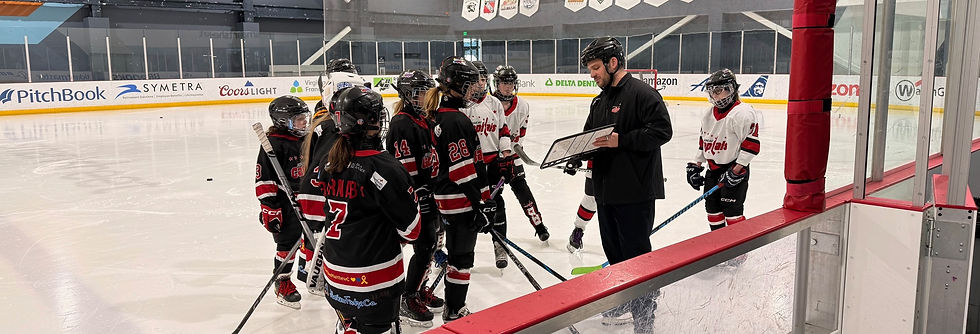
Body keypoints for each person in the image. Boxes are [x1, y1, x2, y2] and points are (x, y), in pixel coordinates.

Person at [571, 37, 672, 333]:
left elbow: (662, 131)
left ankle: (645, 318)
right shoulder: (599, 101)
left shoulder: (643, 93)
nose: (592, 74)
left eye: (595, 68)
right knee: (615, 255)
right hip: (606, 192)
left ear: (613, 63)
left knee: (637, 258)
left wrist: (622, 140)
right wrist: (575, 154)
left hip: (635, 193)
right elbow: (590, 137)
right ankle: (626, 300)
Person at [308, 85, 422, 334]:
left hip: (335, 277)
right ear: (365, 122)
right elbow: (412, 231)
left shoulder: (329, 160)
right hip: (374, 282)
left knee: (350, 323)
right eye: (376, 116)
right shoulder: (386, 168)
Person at [423, 56, 497, 322]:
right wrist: (480, 204)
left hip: (448, 198)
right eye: (469, 84)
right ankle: (455, 309)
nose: (473, 90)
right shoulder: (455, 120)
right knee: (462, 257)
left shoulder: (441, 115)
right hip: (459, 200)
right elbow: (463, 171)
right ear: (456, 86)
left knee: (457, 254)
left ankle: (453, 307)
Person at [296, 71, 371, 298]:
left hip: (322, 204)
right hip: (325, 207)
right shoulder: (335, 128)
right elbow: (321, 173)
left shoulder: (328, 123)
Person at [686, 68, 761, 267]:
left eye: (721, 90)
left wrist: (736, 170)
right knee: (712, 210)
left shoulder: (742, 113)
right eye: (713, 91)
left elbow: (751, 146)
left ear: (732, 89)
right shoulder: (708, 114)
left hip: (735, 169)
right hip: (713, 170)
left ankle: (739, 252)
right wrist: (695, 165)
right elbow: (704, 142)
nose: (716, 95)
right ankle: (720, 249)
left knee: (732, 211)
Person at [387, 69, 444, 328]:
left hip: (428, 192)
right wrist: (418, 195)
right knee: (424, 246)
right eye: (420, 93)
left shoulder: (423, 119)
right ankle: (408, 296)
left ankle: (418, 288)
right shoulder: (402, 123)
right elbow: (403, 169)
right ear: (408, 95)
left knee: (431, 245)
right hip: (415, 197)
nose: (426, 97)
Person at [254, 95, 311, 310]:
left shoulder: (307, 139)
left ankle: (312, 275)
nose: (304, 123)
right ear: (282, 121)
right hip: (285, 204)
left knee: (313, 240)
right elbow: (264, 179)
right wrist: (270, 208)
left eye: (304, 118)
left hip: (306, 200)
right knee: (287, 245)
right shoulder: (274, 144)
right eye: (299, 119)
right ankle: (283, 282)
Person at [462, 60, 513, 269]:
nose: (480, 83)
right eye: (476, 80)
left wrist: (506, 157)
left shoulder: (494, 104)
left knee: (497, 205)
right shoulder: (463, 106)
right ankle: (466, 251)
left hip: (492, 164)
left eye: (483, 79)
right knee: (469, 208)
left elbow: (503, 131)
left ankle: (499, 244)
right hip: (470, 166)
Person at [492, 65, 551, 244]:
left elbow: (520, 135)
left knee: (523, 191)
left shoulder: (523, 106)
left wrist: (512, 154)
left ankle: (539, 226)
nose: (508, 87)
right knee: (493, 197)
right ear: (497, 83)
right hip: (493, 161)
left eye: (511, 83)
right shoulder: (489, 104)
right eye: (504, 83)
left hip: (513, 158)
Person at [565, 161, 596, 253]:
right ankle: (578, 230)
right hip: (596, 165)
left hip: (625, 166)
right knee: (591, 199)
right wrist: (575, 160)